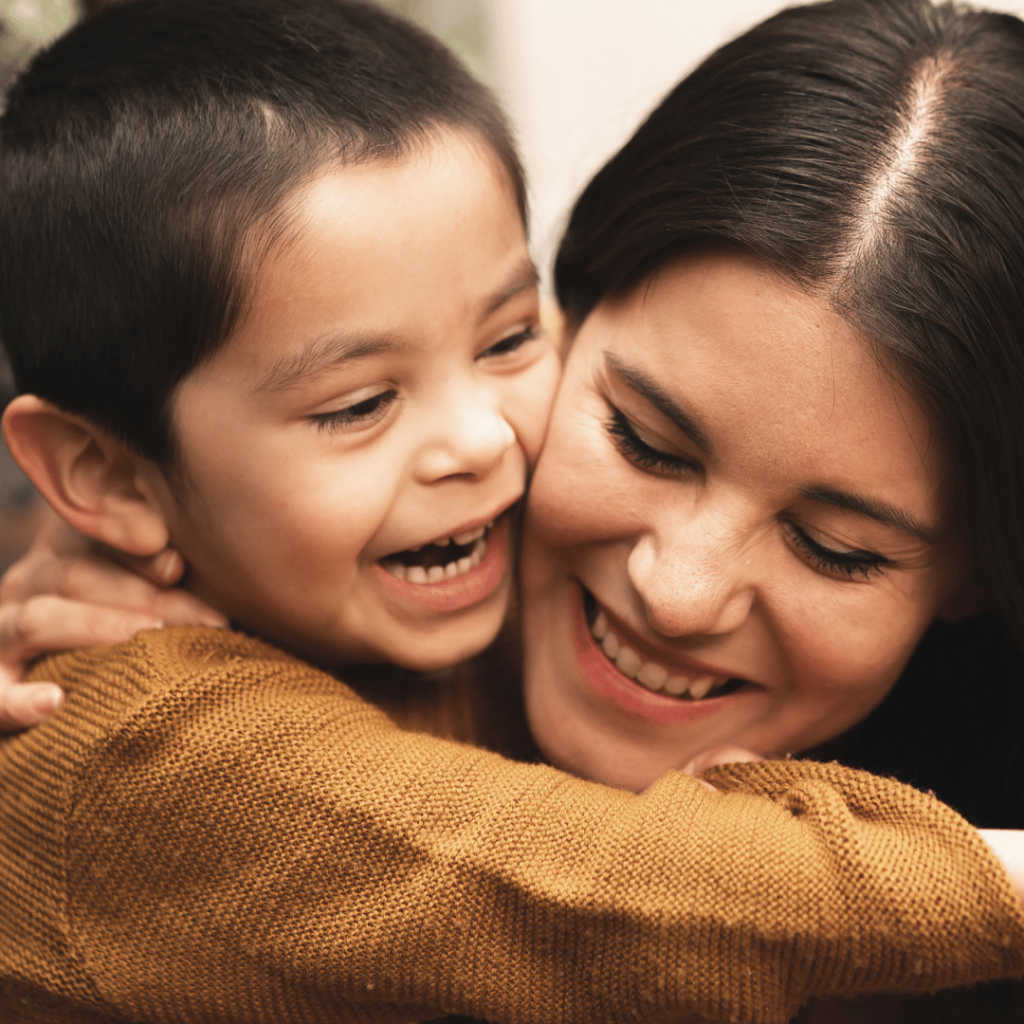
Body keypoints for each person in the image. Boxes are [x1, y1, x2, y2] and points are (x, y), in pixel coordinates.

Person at [1, 1, 1023, 1022]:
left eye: (833, 546)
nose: (677, 594)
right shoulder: (126, 731)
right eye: (642, 438)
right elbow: (560, 880)